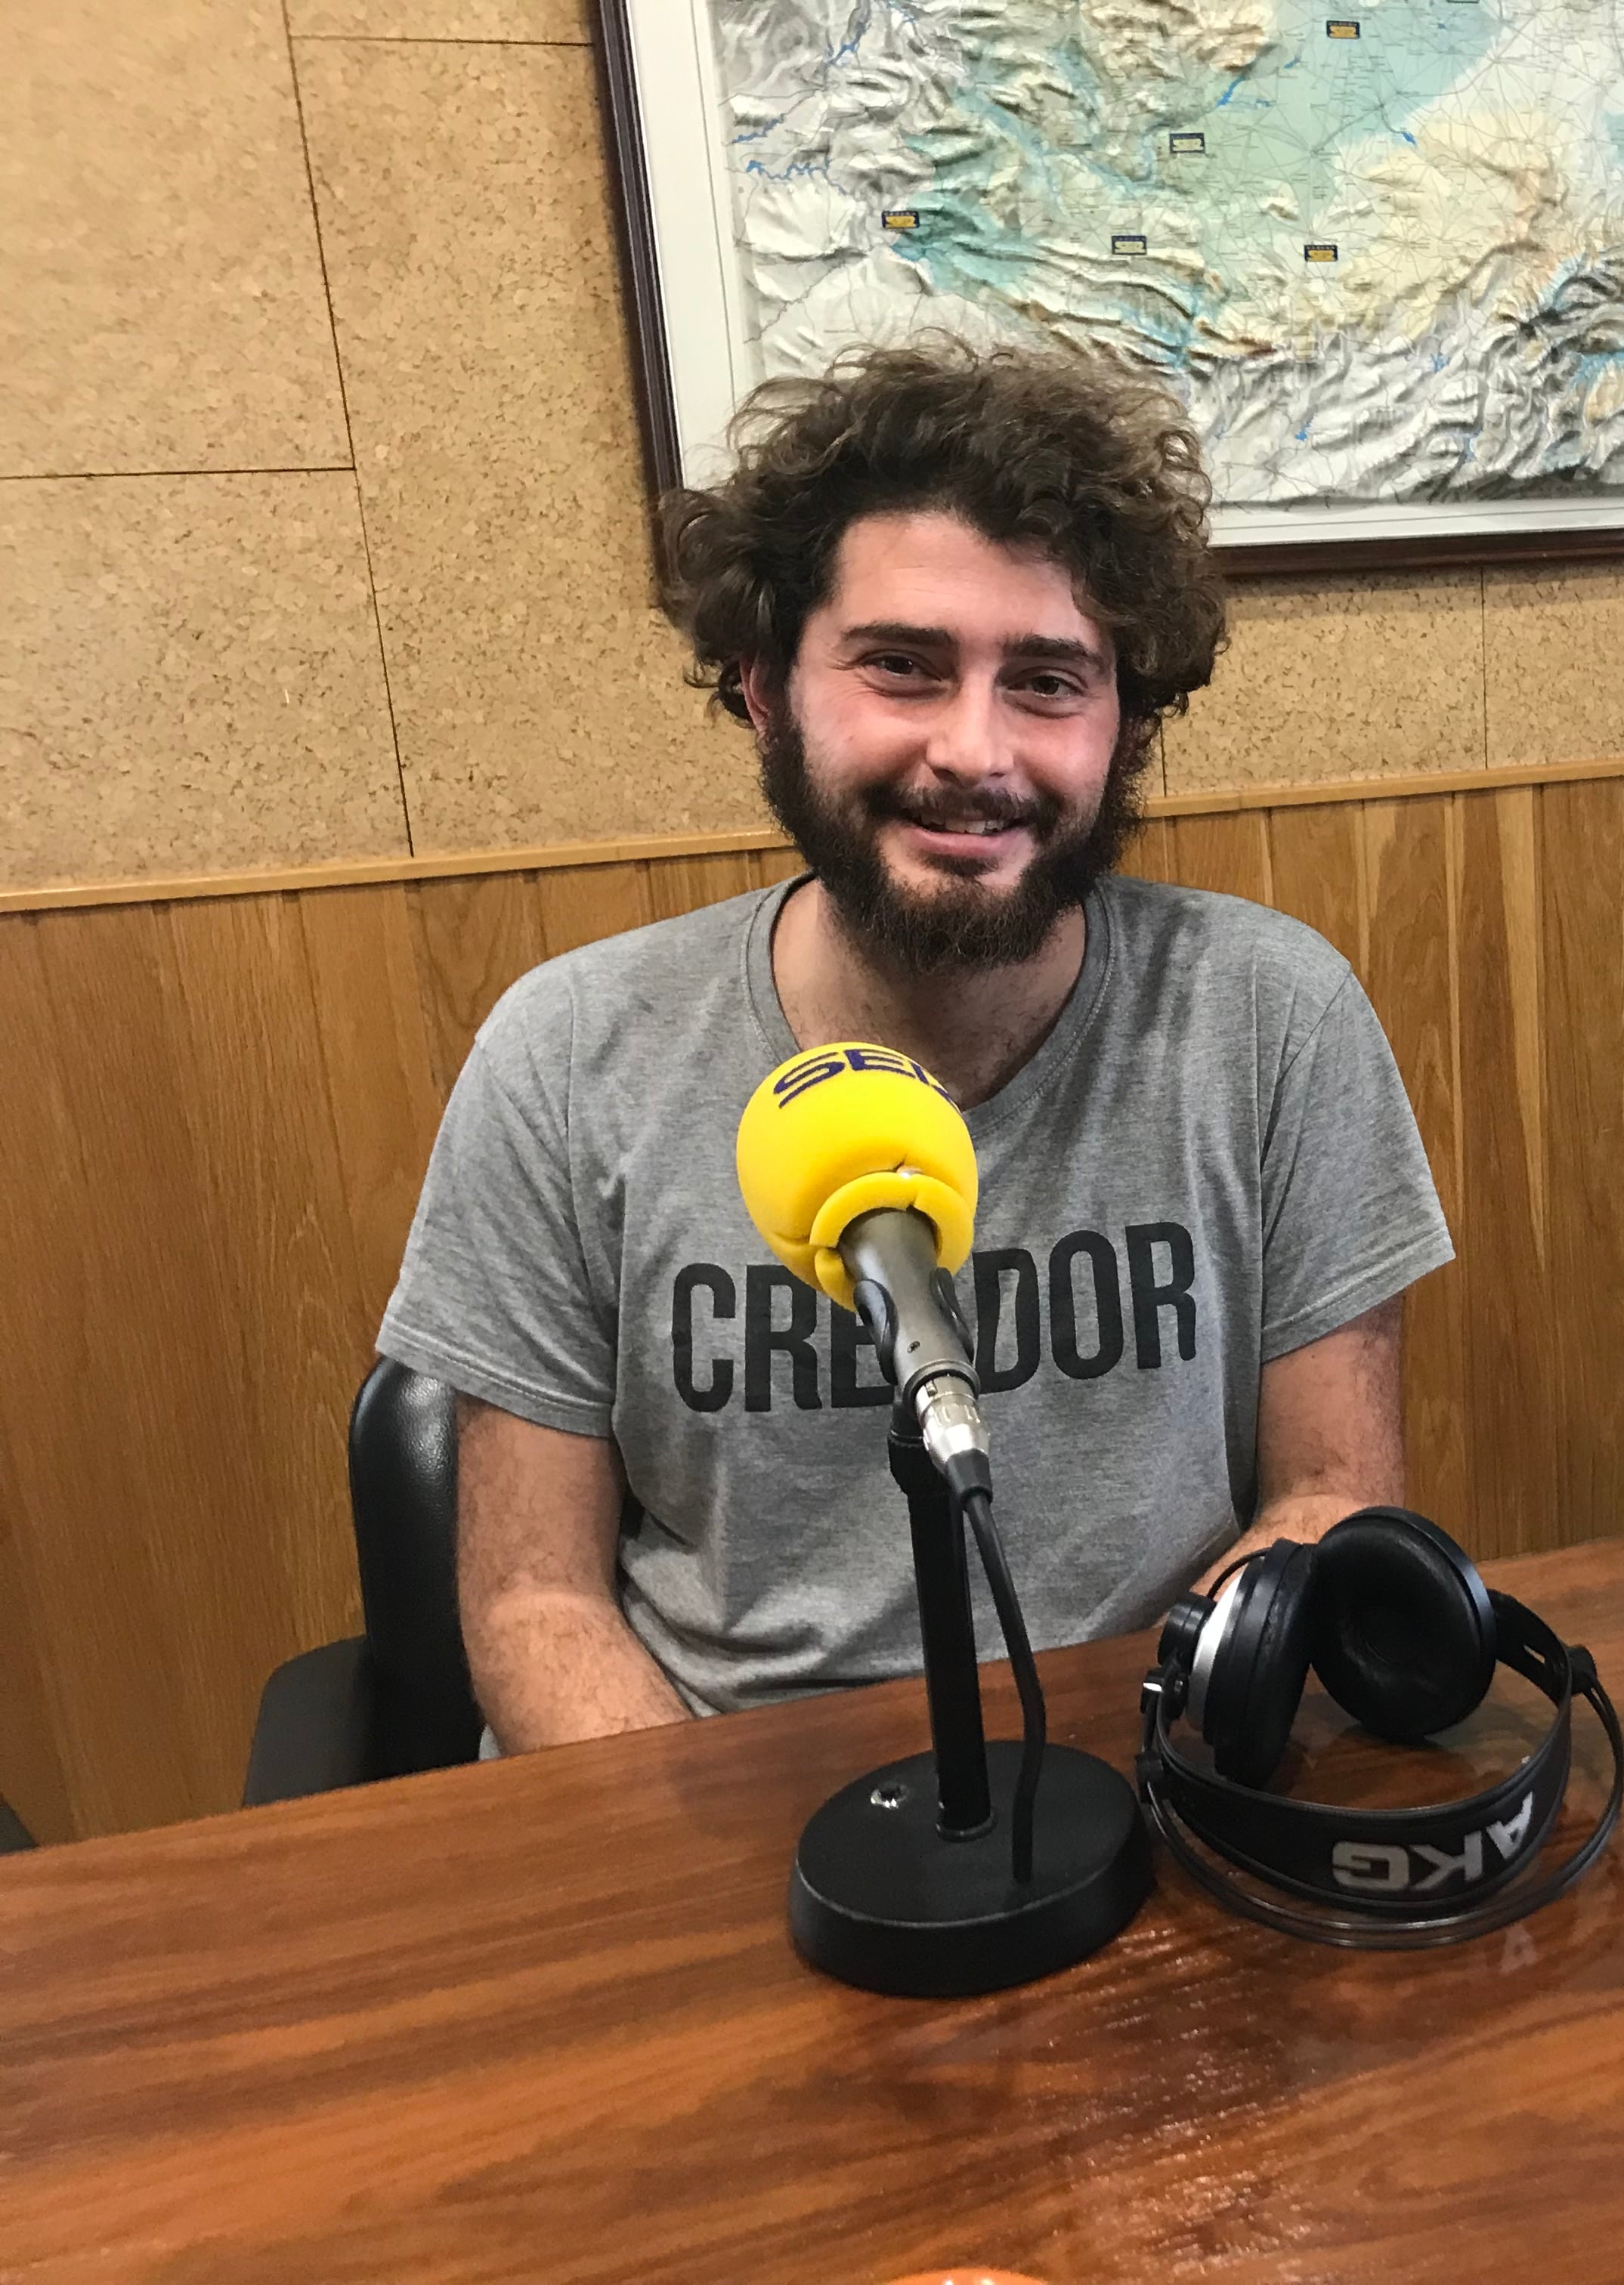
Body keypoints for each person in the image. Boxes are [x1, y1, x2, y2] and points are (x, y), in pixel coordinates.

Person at [380, 340, 1453, 1751]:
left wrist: (1135, 1783)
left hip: (1143, 1781)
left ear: (1126, 718)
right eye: (902, 667)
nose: (975, 750)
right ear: (765, 686)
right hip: (719, 1819)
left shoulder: (1271, 1018)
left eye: (1049, 682)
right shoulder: (568, 1056)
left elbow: (1327, 1507)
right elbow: (535, 1604)